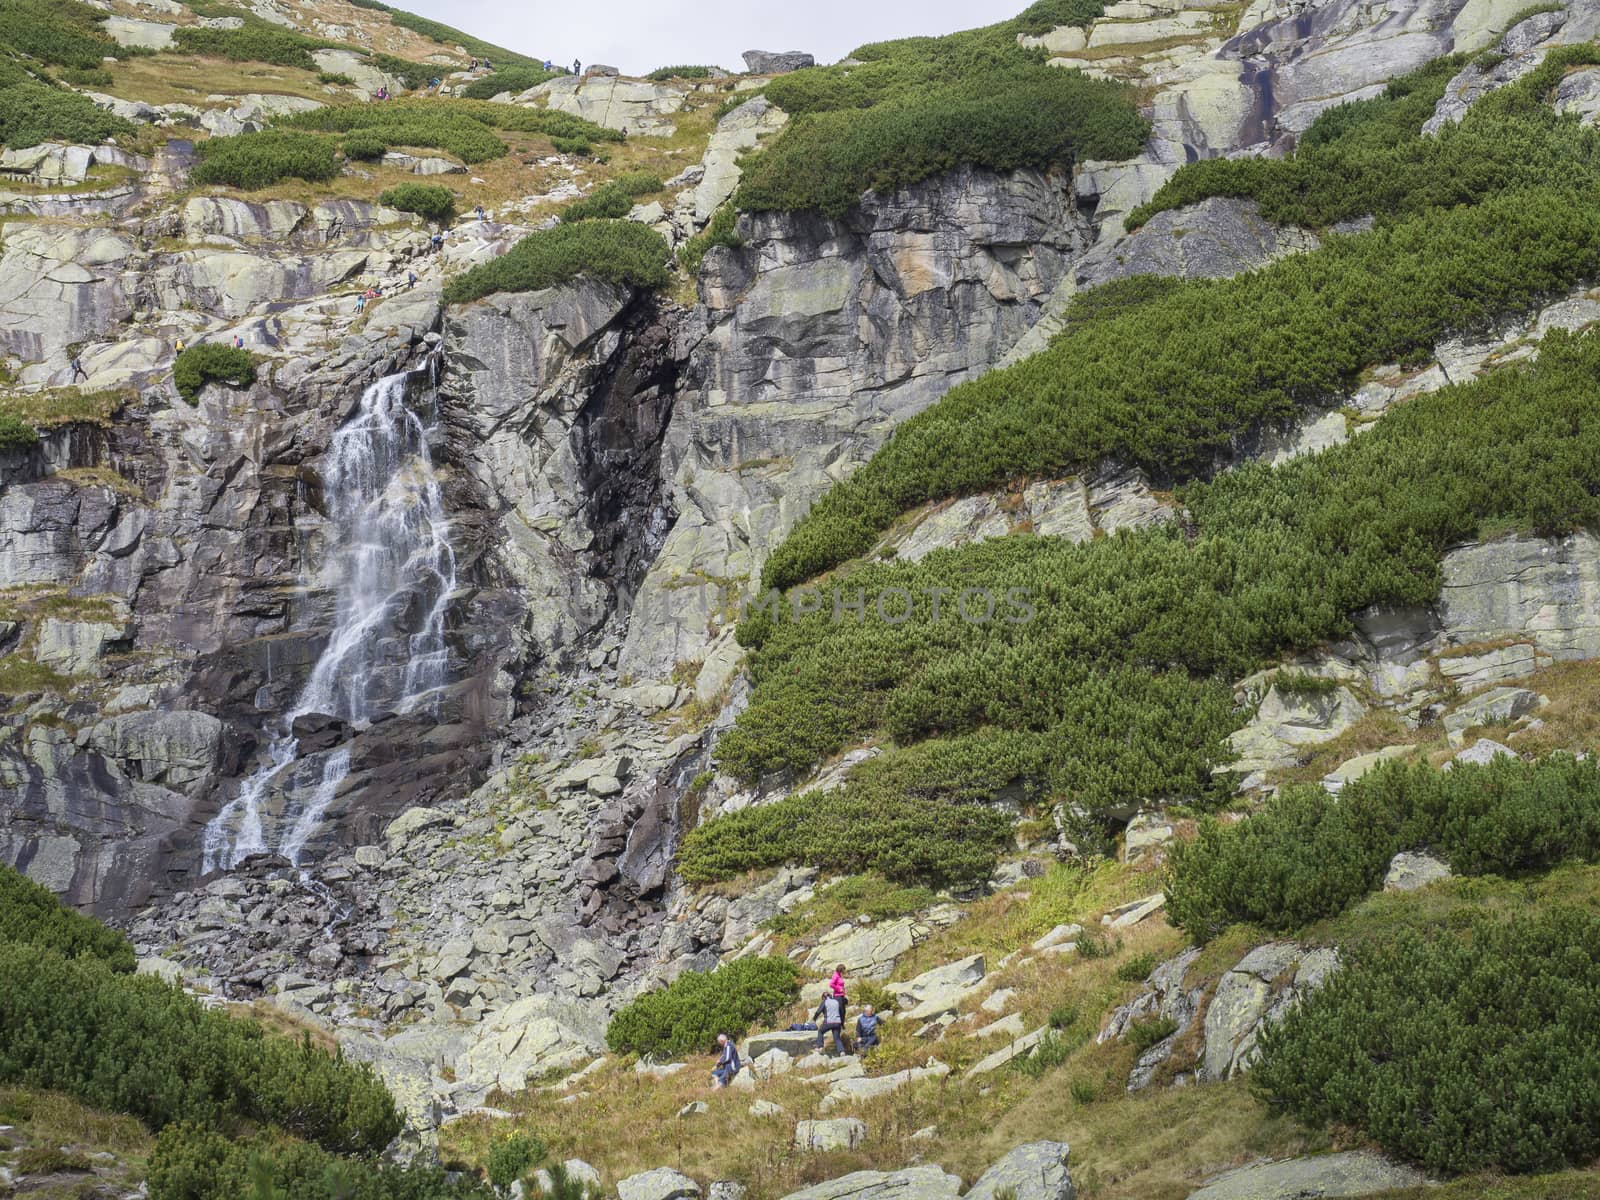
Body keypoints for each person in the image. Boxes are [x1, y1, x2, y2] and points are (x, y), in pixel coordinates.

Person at [813, 990, 847, 1056]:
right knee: (837, 1038)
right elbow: (841, 1012)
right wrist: (842, 1024)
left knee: (820, 1031)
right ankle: (842, 1051)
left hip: (828, 1022)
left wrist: (814, 1019)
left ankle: (820, 1047)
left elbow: (818, 1011)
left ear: (823, 997)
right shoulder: (836, 1002)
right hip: (837, 1022)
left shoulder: (825, 1002)